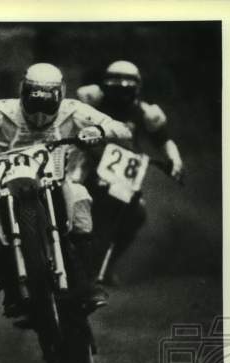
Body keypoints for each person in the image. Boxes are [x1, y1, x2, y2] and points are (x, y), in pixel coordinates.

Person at [0, 63, 133, 317]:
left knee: (80, 197)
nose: (40, 115)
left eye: (47, 104)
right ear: (23, 92)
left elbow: (121, 128)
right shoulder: (3, 111)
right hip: (10, 186)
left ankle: (88, 283)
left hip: (58, 181)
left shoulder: (73, 110)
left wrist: (98, 130)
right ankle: (11, 290)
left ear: (60, 95)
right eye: (34, 102)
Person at [75, 60, 184, 276]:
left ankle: (108, 264)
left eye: (125, 89)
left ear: (137, 88)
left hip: (122, 168)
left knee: (136, 215)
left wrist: (175, 159)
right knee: (72, 195)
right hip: (87, 159)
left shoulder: (145, 112)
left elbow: (163, 139)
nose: (120, 95)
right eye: (115, 88)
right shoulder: (91, 101)